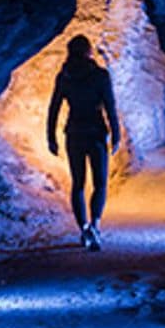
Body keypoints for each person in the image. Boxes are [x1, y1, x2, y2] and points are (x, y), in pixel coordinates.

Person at [46, 35, 121, 250]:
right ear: (89, 52)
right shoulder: (100, 75)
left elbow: (54, 108)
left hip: (74, 134)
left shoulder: (64, 76)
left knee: (78, 184)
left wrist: (51, 137)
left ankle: (84, 229)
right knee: (100, 182)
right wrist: (116, 135)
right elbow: (110, 107)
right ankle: (95, 225)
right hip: (96, 133)